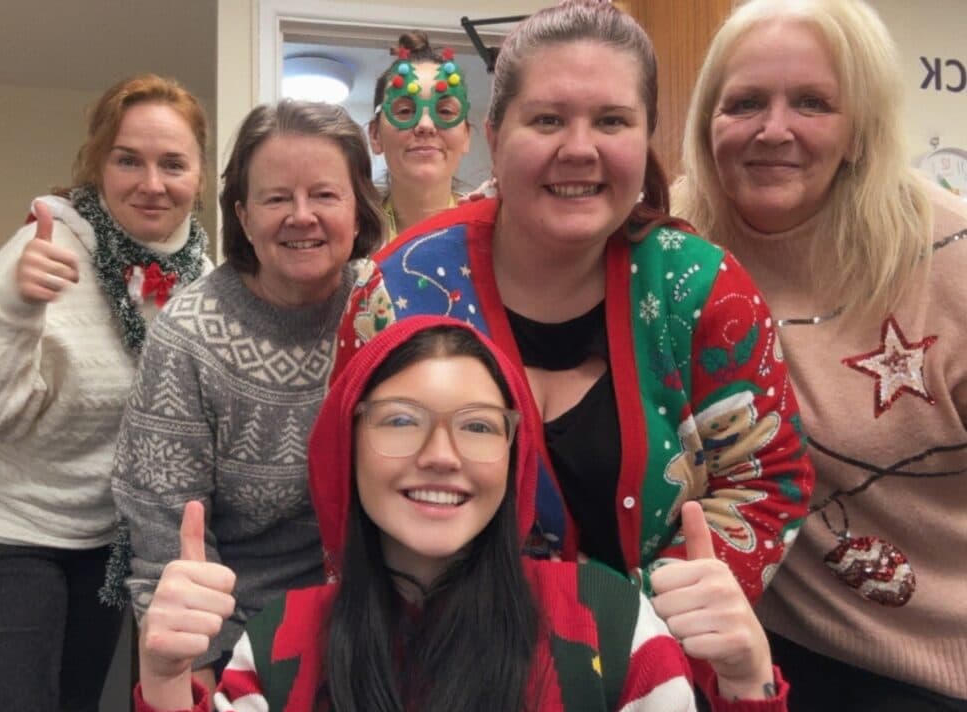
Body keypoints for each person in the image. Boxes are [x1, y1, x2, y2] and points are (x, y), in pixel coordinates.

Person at [118, 315, 815, 712]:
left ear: (515, 455)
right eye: (399, 420)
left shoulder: (608, 620)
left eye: (478, 427)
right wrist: (167, 689)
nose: (441, 456)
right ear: (345, 448)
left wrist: (749, 686)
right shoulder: (278, 642)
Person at [334, 0, 813, 603]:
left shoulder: (702, 289)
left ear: (646, 138)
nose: (580, 149)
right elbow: (346, 482)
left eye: (612, 121)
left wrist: (639, 633)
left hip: (655, 666)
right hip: (434, 659)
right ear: (494, 135)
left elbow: (768, 477)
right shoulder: (398, 289)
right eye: (547, 120)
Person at [673, 0, 967, 712]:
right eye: (745, 103)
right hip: (770, 647)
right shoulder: (674, 244)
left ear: (860, 125)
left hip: (940, 669)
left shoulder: (950, 258)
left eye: (812, 102)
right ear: (708, 120)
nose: (774, 130)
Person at [0, 73, 212, 712]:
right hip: (7, 534)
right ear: (98, 164)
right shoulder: (39, 252)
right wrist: (14, 309)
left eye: (173, 163)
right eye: (128, 159)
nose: (151, 182)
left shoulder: (202, 279)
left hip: (107, 541)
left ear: (198, 176)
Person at [105, 99, 385, 693]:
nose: (301, 216)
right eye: (277, 198)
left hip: (378, 623)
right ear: (244, 215)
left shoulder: (385, 306)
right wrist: (196, 681)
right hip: (239, 637)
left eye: (325, 196)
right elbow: (165, 533)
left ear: (358, 211)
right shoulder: (190, 335)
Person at [369, 30, 471, 241]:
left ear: (466, 136)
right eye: (405, 111)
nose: (425, 125)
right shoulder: (351, 240)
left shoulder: (498, 237)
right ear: (375, 136)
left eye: (445, 112)